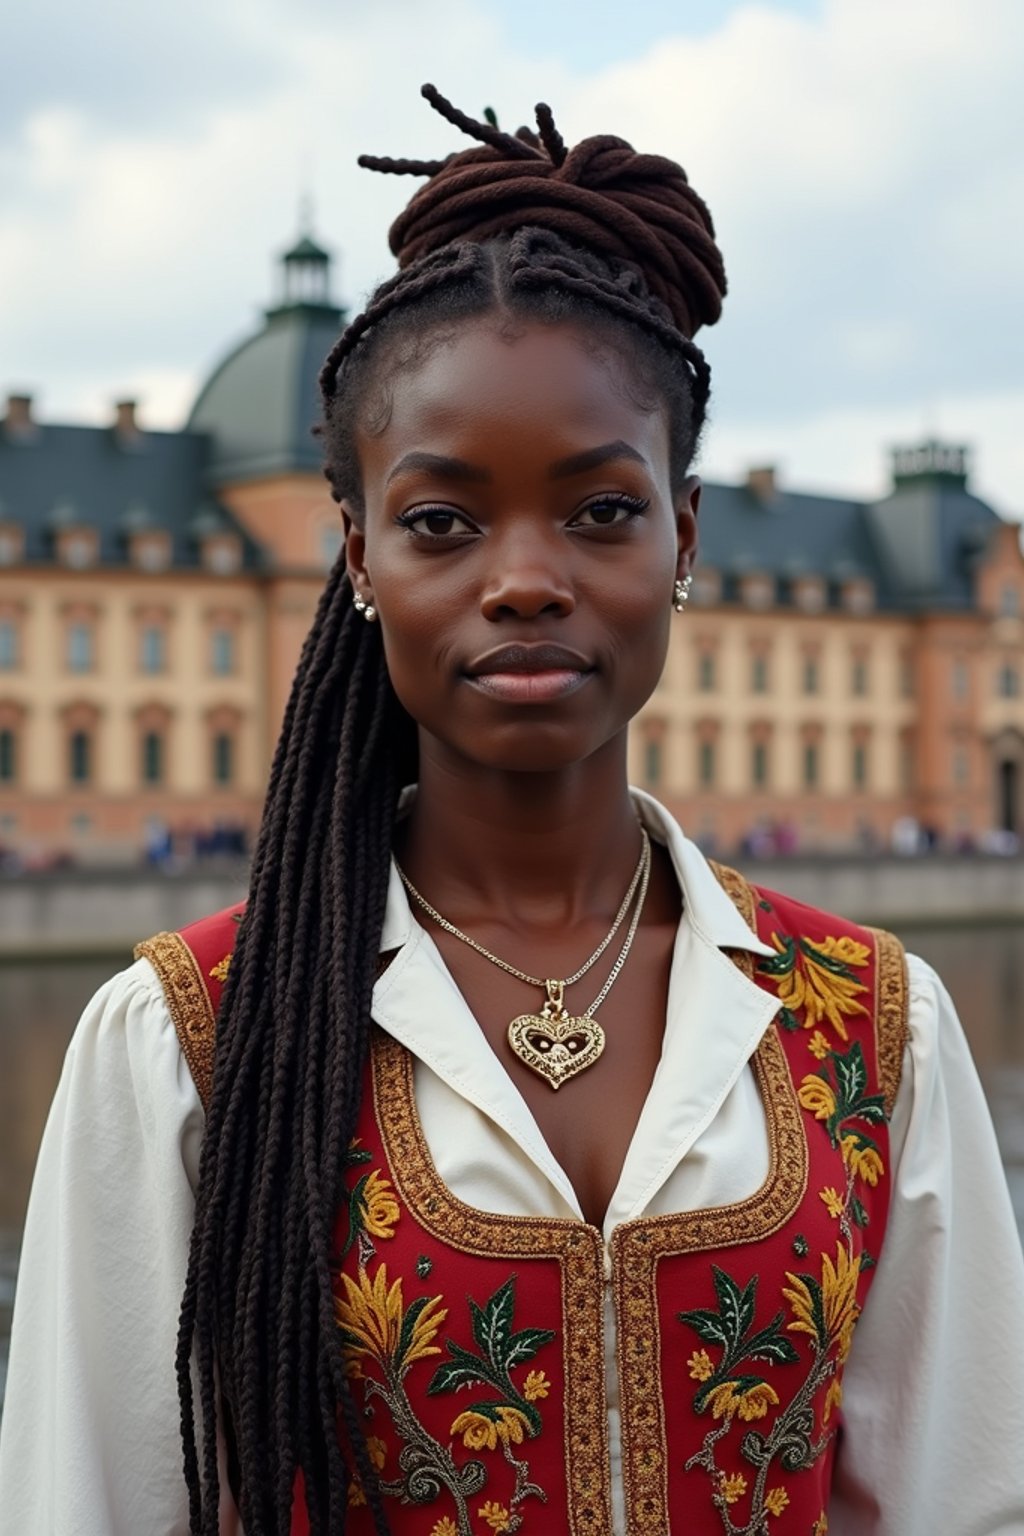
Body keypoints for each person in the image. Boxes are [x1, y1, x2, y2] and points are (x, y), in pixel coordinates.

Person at [2, 84, 1023, 1536]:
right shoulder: (189, 1043)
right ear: (354, 557)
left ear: (684, 536)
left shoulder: (875, 1025)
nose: (526, 576)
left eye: (600, 510)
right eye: (443, 520)